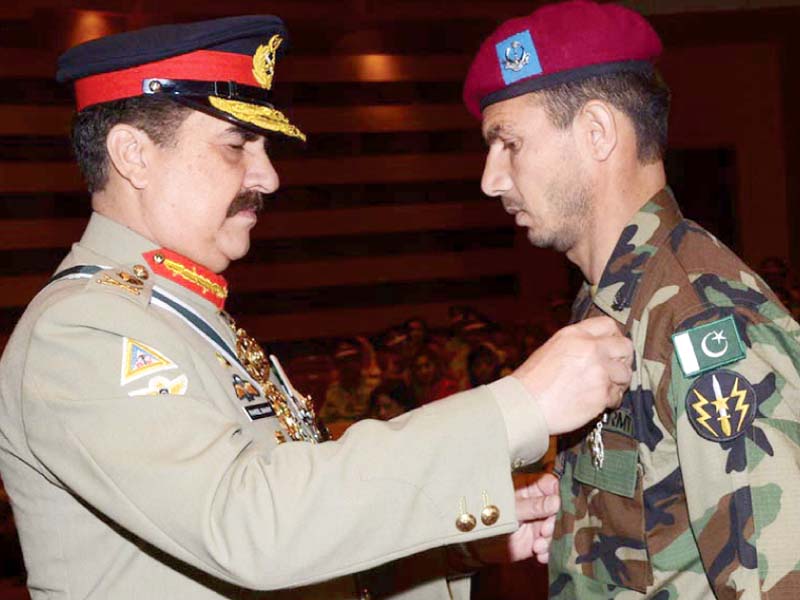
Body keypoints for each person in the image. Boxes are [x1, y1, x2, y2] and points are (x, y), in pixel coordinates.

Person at [0, 15, 634, 600]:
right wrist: (515, 405)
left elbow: (297, 543)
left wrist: (461, 536)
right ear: (134, 154)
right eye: (236, 145)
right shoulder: (84, 330)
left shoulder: (183, 317)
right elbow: (250, 526)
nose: (268, 176)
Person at [464, 1, 800, 597]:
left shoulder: (701, 320)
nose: (491, 179)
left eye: (509, 143)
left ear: (596, 133)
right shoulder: (611, 303)